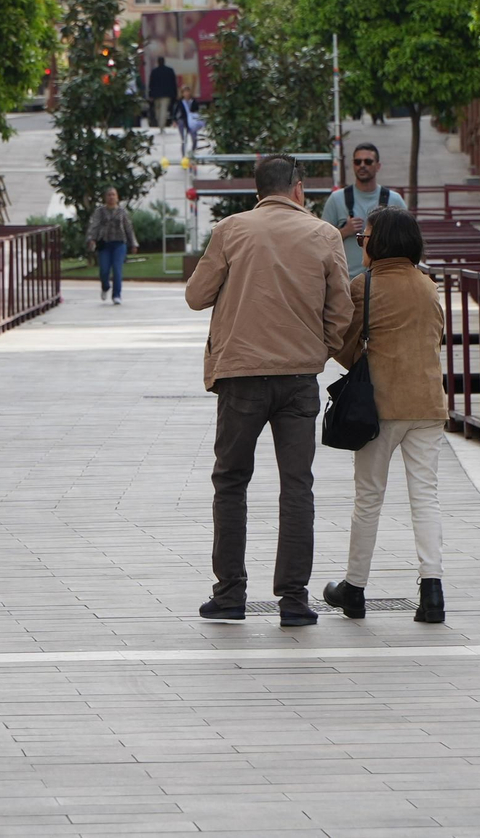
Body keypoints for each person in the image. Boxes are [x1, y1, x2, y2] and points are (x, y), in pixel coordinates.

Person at [186, 155, 353, 628]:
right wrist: (317, 350)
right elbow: (340, 312)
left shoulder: (231, 230)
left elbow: (197, 296)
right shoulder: (323, 235)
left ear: (257, 190)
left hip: (240, 376)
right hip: (299, 378)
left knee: (231, 482)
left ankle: (230, 593)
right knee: (297, 486)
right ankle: (295, 600)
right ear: (298, 189)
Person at [322, 208, 448, 625]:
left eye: (365, 238)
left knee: (369, 499)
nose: (363, 244)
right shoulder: (428, 286)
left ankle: (354, 589)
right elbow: (437, 336)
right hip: (428, 404)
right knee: (425, 498)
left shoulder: (365, 285)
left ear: (378, 243)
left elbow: (344, 342)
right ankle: (432, 592)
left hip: (380, 406)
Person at [320, 143, 407, 277]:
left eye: (368, 161)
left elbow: (407, 242)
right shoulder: (336, 199)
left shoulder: (394, 200)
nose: (362, 165)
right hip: (347, 283)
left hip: (385, 281)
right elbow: (321, 242)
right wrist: (344, 231)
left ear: (378, 166)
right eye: (357, 161)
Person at [84, 186, 139, 304]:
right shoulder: (100, 212)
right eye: (109, 195)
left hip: (119, 243)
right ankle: (105, 287)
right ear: (105, 197)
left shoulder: (122, 212)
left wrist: (133, 243)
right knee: (104, 270)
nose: (111, 197)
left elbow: (128, 228)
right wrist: (91, 239)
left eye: (113, 195)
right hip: (105, 244)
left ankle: (117, 295)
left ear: (117, 197)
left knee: (117, 269)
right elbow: (94, 226)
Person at [147, 54, 178, 132]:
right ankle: (162, 125)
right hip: (167, 94)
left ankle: (160, 124)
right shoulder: (170, 71)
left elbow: (151, 84)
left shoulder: (154, 72)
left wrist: (150, 95)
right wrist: (175, 94)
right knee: (164, 111)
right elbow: (173, 83)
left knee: (157, 111)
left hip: (156, 95)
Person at [173, 85, 204, 155]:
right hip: (183, 121)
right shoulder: (180, 102)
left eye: (188, 92)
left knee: (194, 138)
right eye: (184, 92)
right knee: (184, 140)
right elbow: (175, 112)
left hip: (192, 122)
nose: (186, 94)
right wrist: (175, 120)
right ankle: (184, 155)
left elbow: (197, 111)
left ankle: (192, 152)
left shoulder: (194, 101)